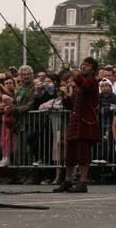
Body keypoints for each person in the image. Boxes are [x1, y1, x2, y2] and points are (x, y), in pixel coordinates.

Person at [54, 57, 101, 193]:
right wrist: (64, 97)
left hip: (86, 122)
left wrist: (73, 72)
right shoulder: (78, 87)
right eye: (83, 64)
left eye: (87, 65)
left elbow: (84, 84)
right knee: (70, 154)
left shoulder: (92, 81)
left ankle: (83, 182)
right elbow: (72, 104)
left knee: (83, 153)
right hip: (75, 122)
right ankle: (67, 181)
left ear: (92, 68)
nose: (84, 66)